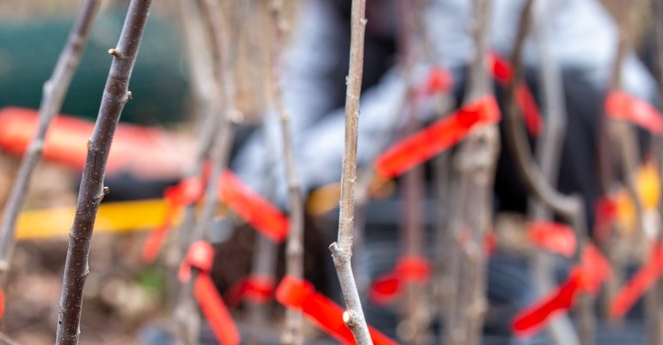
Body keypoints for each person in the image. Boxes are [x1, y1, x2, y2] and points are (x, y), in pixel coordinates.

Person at [231, 0, 658, 220]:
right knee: (249, 140)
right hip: (453, 107)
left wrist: (310, 167)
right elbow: (307, 83)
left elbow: (438, 79)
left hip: (594, 115)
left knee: (468, 93)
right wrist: (257, 186)